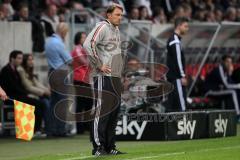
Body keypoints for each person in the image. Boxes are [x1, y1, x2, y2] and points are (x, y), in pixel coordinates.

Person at [83, 3, 125, 156]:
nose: (120, 18)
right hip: (103, 76)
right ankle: (98, 147)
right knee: (102, 111)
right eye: (117, 15)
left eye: (121, 15)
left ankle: (110, 146)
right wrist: (99, 64)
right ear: (108, 15)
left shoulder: (116, 29)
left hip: (114, 76)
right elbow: (88, 44)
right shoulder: (102, 27)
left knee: (114, 112)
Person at [0, 50, 46, 134]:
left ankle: (36, 129)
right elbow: (12, 87)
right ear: (12, 59)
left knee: (39, 103)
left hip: (18, 96)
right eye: (18, 58)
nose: (20, 61)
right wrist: (26, 93)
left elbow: (20, 86)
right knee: (34, 103)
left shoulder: (16, 70)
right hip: (10, 97)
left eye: (21, 58)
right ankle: (31, 130)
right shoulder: (6, 70)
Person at [45, 23, 72, 137]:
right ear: (63, 32)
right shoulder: (58, 43)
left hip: (51, 72)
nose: (66, 34)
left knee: (53, 102)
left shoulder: (48, 41)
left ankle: (50, 129)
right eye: (66, 32)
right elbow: (69, 59)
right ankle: (60, 130)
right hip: (60, 73)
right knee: (62, 102)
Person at [17, 54, 51, 133]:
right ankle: (42, 129)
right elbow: (28, 87)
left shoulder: (29, 71)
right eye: (29, 60)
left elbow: (37, 84)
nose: (32, 61)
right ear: (25, 61)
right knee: (44, 103)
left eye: (32, 59)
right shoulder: (21, 70)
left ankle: (49, 127)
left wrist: (47, 91)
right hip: (27, 95)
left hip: (35, 95)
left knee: (47, 102)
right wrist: (43, 93)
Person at [166, 17, 189, 112]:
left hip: (172, 77)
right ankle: (183, 123)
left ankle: (171, 126)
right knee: (181, 104)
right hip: (176, 78)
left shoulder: (174, 39)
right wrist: (182, 76)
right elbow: (178, 60)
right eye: (185, 26)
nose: (187, 29)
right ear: (179, 26)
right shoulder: (175, 40)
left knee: (172, 104)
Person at [71, 32, 92, 134]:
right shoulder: (77, 49)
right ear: (78, 39)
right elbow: (85, 62)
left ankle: (86, 126)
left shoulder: (84, 49)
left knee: (88, 103)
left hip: (86, 79)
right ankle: (80, 128)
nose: (85, 39)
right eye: (83, 37)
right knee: (81, 103)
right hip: (79, 79)